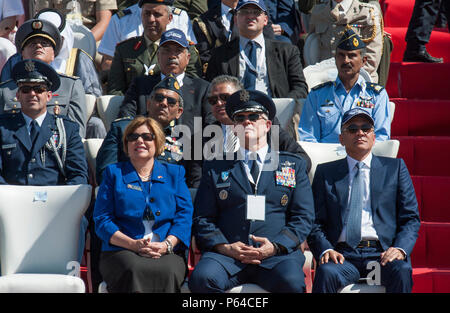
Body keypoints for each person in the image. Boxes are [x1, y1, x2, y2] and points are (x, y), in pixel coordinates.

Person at [188, 89, 315, 293]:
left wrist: (275, 246)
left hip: (276, 256)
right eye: (240, 118)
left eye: (254, 116)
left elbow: (303, 216)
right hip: (228, 256)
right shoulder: (215, 166)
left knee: (292, 282)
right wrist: (224, 247)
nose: (247, 122)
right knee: (202, 279)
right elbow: (203, 218)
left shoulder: (292, 164)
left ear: (267, 126)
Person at [307, 108, 421, 293]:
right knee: (326, 273)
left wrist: (399, 248)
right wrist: (326, 250)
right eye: (352, 129)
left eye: (366, 128)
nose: (360, 133)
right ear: (341, 139)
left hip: (381, 256)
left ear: (374, 137)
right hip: (343, 257)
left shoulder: (395, 168)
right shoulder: (325, 173)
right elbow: (314, 222)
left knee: (401, 271)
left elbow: (410, 218)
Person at [93, 115, 194, 293]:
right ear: (126, 144)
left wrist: (166, 245)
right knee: (133, 269)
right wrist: (132, 244)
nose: (139, 140)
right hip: (121, 250)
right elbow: (103, 220)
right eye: (133, 137)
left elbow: (184, 217)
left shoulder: (174, 173)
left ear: (158, 143)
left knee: (168, 271)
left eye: (147, 137)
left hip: (166, 251)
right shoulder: (113, 173)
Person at [116, 28, 214, 150]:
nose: (172, 56)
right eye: (166, 51)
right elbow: (126, 118)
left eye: (178, 51)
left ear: (188, 58)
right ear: (158, 56)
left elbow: (210, 126)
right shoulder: (140, 85)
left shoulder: (203, 89)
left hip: (190, 156)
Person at [96, 75, 199, 187]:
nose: (164, 103)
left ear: (179, 112)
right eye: (159, 98)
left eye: (171, 101)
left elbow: (187, 181)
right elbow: (104, 174)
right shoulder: (122, 128)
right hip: (127, 195)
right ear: (148, 104)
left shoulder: (185, 139)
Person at [298, 28, 390, 143]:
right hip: (325, 156)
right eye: (341, 55)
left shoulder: (376, 95)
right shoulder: (317, 94)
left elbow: (382, 137)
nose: (346, 61)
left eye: (351, 56)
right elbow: (308, 137)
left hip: (361, 155)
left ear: (363, 61)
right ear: (335, 58)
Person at [0, 18, 88, 137]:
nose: (38, 46)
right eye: (32, 44)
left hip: (56, 150)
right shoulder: (5, 90)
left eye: (44, 44)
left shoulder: (71, 86)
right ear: (22, 53)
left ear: (53, 54)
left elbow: (77, 134)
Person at [205, 74, 311, 171]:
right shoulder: (206, 133)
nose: (219, 103)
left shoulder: (263, 124)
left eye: (225, 97)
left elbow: (303, 160)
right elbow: (198, 176)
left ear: (241, 97)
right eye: (213, 100)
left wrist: (272, 177)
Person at [205, 0, 308, 100]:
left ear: (265, 20)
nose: (250, 16)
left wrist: (283, 106)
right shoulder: (220, 55)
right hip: (235, 112)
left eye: (256, 12)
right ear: (236, 19)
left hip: (277, 110)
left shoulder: (287, 52)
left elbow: (300, 88)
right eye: (244, 12)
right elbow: (211, 91)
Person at [106, 0, 202, 95]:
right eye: (146, 14)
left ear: (170, 18)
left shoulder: (185, 50)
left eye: (157, 14)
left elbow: (192, 89)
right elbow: (115, 90)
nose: (151, 19)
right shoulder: (125, 49)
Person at [308, 0, 384, 84]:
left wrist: (347, 80)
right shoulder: (318, 12)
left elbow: (371, 57)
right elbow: (311, 46)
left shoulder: (367, 12)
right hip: (324, 81)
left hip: (360, 80)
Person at [192, 0, 275, 67]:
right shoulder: (204, 21)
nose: (250, 15)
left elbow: (270, 47)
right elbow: (205, 57)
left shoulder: (258, 13)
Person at [32, 0, 118, 42]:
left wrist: (85, 42)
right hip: (59, 38)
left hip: (92, 38)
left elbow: (104, 22)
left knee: (105, 62)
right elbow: (45, 20)